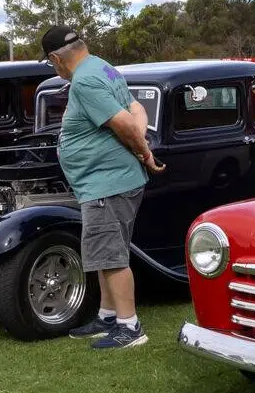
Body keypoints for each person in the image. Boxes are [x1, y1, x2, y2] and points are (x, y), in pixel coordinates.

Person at [41, 24, 164, 351]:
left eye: (51, 63)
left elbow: (125, 122)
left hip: (108, 183)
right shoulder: (103, 67)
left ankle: (130, 327)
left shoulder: (84, 80)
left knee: (111, 257)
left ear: (56, 58)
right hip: (106, 183)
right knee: (101, 251)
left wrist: (145, 153)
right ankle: (107, 316)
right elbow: (136, 109)